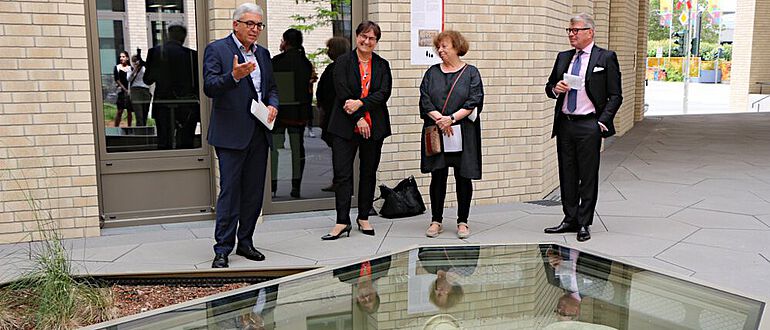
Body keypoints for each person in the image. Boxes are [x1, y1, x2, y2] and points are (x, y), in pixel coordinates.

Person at [203, 3, 279, 268]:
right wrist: (233, 76)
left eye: (259, 25)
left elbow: (271, 89)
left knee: (253, 193)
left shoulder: (264, 54)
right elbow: (210, 87)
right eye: (250, 24)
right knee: (230, 192)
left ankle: (245, 242)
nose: (255, 29)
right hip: (230, 135)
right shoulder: (217, 50)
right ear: (236, 24)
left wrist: (273, 105)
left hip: (259, 133)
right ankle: (222, 248)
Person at [543, 13, 622, 242]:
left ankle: (584, 222)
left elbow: (616, 95)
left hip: (589, 124)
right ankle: (569, 219)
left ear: (590, 32)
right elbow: (549, 87)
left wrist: (601, 122)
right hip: (566, 124)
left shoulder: (605, 58)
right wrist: (555, 88)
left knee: (587, 175)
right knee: (567, 174)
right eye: (569, 31)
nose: (571, 34)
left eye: (576, 30)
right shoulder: (563, 57)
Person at [322, 21, 392, 240]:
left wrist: (361, 106)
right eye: (363, 36)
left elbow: (383, 93)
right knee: (342, 174)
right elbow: (342, 93)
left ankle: (363, 216)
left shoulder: (382, 65)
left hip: (375, 126)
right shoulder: (342, 63)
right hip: (344, 126)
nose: (367, 41)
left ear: (376, 42)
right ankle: (342, 221)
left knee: (368, 172)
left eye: (372, 38)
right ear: (356, 36)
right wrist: (358, 118)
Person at [419, 30, 484, 239]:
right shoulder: (431, 72)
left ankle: (463, 221)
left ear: (457, 47)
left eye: (445, 46)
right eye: (438, 47)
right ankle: (436, 220)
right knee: (438, 176)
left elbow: (474, 100)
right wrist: (440, 119)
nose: (440, 50)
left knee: (463, 177)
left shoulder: (471, 72)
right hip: (437, 130)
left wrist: (452, 119)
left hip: (463, 131)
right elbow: (424, 99)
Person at [271, 28, 313, 199]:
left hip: (280, 113)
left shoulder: (277, 62)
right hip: (299, 113)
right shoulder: (306, 63)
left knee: (275, 149)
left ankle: (272, 186)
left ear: (286, 42)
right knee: (297, 150)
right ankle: (296, 186)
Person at [143, 23, 199, 150]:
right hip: (187, 104)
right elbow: (197, 82)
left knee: (164, 142)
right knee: (185, 142)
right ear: (183, 38)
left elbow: (147, 80)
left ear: (168, 36)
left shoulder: (155, 52)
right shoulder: (191, 55)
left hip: (163, 102)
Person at [316, 37, 351, 193]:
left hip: (335, 117)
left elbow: (323, 93)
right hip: (334, 115)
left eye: (330, 48)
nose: (328, 52)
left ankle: (341, 182)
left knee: (340, 153)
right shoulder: (340, 68)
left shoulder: (335, 69)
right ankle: (339, 181)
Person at [128, 53, 151, 126]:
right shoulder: (130, 69)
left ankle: (144, 130)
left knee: (145, 114)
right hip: (135, 90)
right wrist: (135, 69)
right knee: (139, 115)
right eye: (133, 61)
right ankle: (140, 132)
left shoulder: (144, 68)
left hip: (145, 90)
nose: (135, 62)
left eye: (136, 60)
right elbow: (129, 79)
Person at [113, 51, 133, 128]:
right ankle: (116, 127)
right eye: (120, 57)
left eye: (123, 56)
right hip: (121, 91)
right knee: (120, 110)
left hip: (129, 91)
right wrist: (124, 89)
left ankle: (129, 127)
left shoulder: (130, 68)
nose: (121, 58)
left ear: (127, 58)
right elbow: (117, 79)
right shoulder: (117, 67)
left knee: (129, 111)